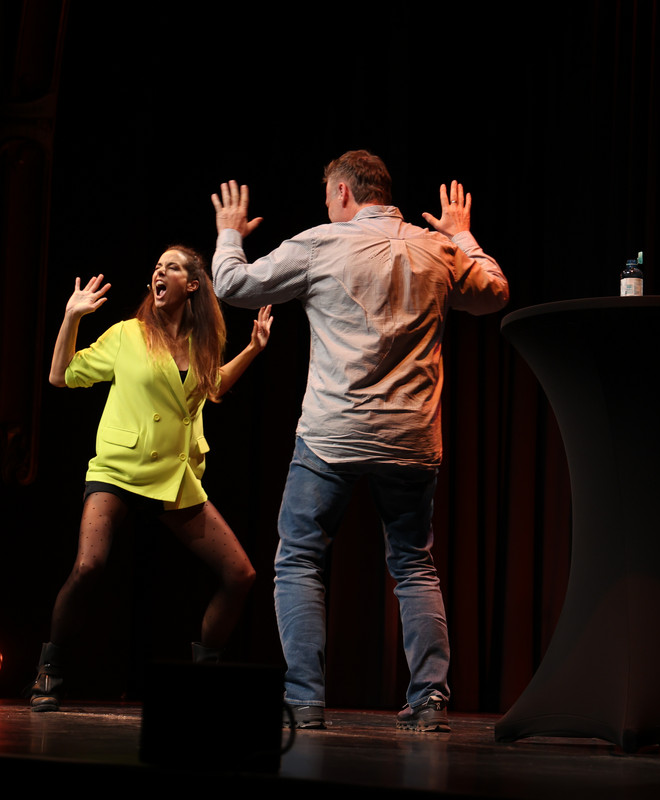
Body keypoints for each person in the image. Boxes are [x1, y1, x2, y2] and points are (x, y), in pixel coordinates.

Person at [210, 150, 508, 732]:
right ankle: (430, 698)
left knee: (299, 559)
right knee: (414, 565)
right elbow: (494, 292)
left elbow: (231, 284)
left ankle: (304, 700)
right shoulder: (435, 248)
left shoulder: (320, 243)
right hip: (410, 438)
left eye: (328, 196)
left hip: (332, 435)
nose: (327, 206)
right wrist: (463, 234)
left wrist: (228, 234)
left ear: (344, 192)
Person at [27, 244, 272, 712]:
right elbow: (61, 375)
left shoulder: (202, 343)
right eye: (157, 267)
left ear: (192, 285)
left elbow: (212, 386)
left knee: (240, 574)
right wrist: (71, 316)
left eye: (171, 267)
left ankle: (204, 683)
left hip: (174, 475)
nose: (160, 272)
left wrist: (253, 350)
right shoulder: (127, 335)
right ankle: (49, 670)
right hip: (119, 469)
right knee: (88, 566)